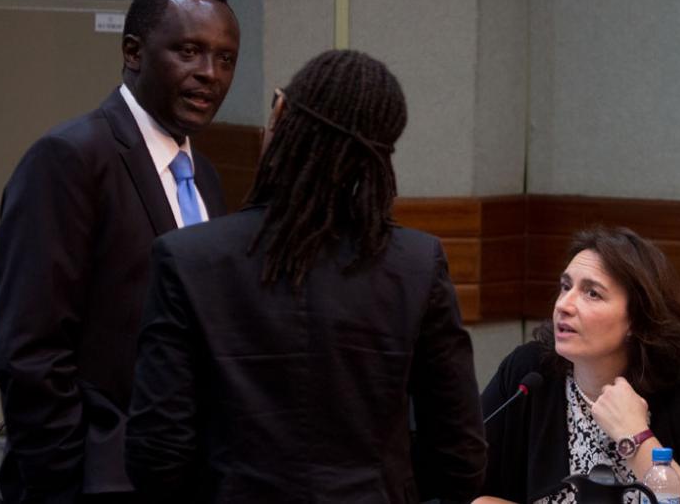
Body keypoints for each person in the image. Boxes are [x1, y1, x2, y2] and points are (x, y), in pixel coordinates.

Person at [124, 49, 488, 503]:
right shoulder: (416, 264)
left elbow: (157, 454)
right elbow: (460, 456)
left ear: (282, 116)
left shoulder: (188, 258)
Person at [0, 0, 239, 503]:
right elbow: (30, 352)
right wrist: (61, 483)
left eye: (225, 59)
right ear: (133, 52)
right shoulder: (70, 159)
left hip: (188, 478)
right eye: (190, 51)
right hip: (94, 480)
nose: (209, 75)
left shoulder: (207, 177)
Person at [475, 227, 680, 504]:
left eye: (592, 293)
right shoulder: (529, 374)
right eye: (566, 287)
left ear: (637, 320)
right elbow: (465, 485)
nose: (564, 305)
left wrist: (636, 438)